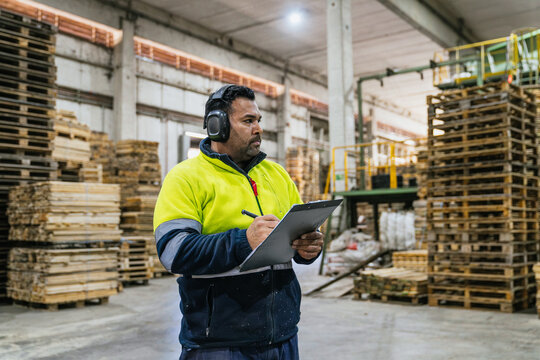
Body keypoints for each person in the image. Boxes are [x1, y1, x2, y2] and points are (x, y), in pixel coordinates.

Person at [153, 84, 324, 359]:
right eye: (248, 121)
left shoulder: (277, 175)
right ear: (217, 125)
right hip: (220, 343)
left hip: (282, 336)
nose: (258, 128)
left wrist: (309, 248)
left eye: (258, 120)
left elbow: (297, 238)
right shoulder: (186, 177)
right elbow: (174, 252)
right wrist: (243, 241)